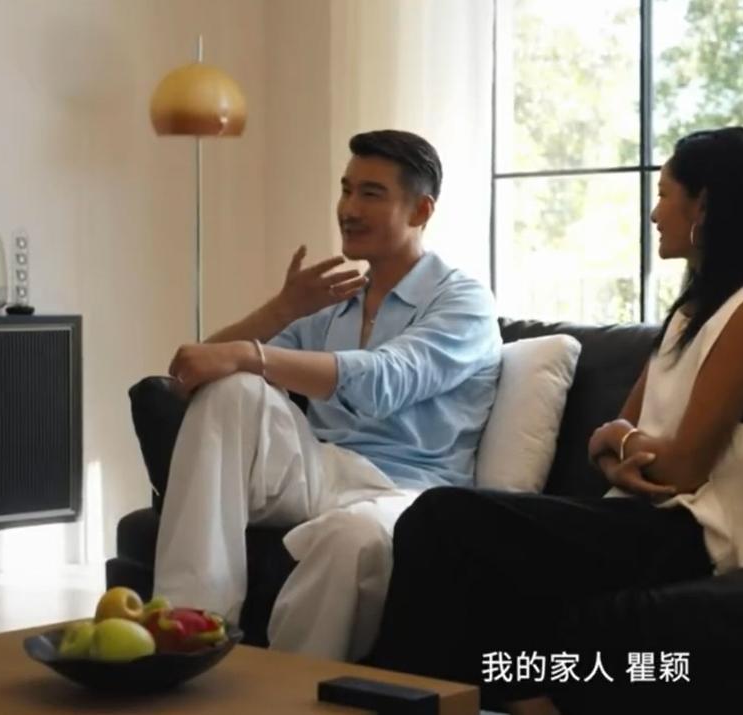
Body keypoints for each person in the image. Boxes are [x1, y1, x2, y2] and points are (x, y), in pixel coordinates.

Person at [366, 126, 743, 713]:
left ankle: (398, 697)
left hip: (695, 538)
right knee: (458, 542)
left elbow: (679, 469)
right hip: (642, 515)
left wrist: (624, 447)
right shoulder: (693, 313)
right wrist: (625, 448)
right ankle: (471, 697)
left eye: (664, 195)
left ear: (704, 205)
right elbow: (610, 436)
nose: (654, 213)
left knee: (441, 516)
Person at [153, 129, 501, 663]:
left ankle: (289, 693)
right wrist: (281, 310)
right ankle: (186, 632)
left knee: (350, 538)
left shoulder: (462, 300)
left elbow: (385, 381)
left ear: (421, 210)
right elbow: (193, 372)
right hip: (321, 467)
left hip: (405, 489)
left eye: (371, 194)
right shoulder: (334, 300)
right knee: (231, 390)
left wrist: (251, 354)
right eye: (346, 189)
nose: (349, 209)